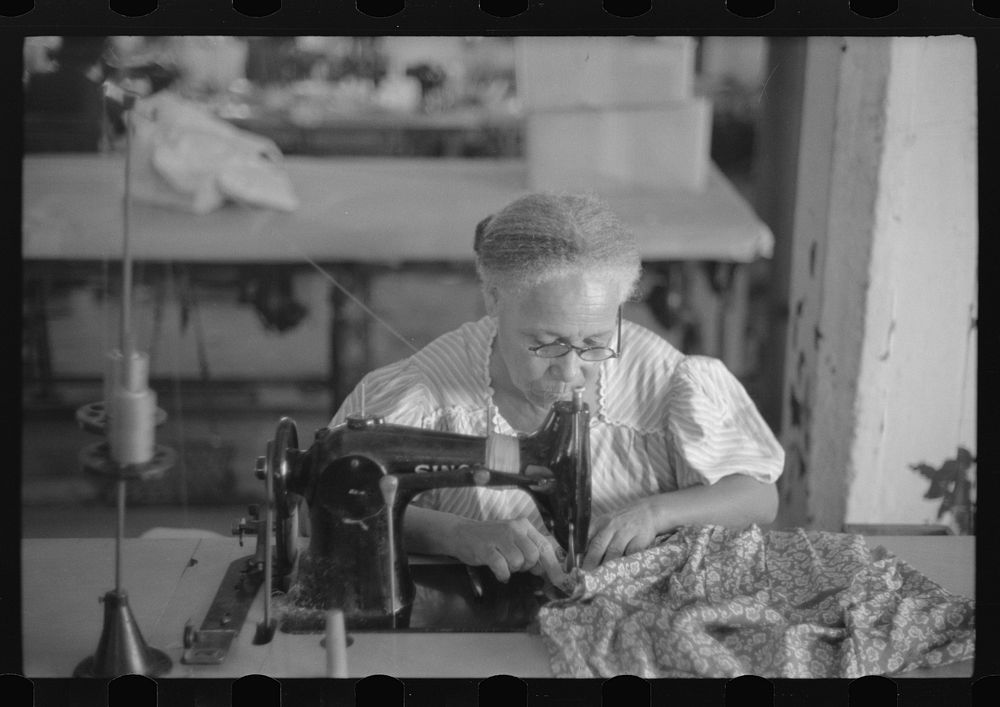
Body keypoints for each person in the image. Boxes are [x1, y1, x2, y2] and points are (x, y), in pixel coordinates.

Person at [329, 193, 783, 585]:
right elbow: (339, 501)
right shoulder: (425, 392)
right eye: (544, 345)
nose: (570, 372)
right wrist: (458, 534)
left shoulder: (665, 380)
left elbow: (759, 497)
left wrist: (656, 513)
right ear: (493, 298)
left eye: (596, 343)